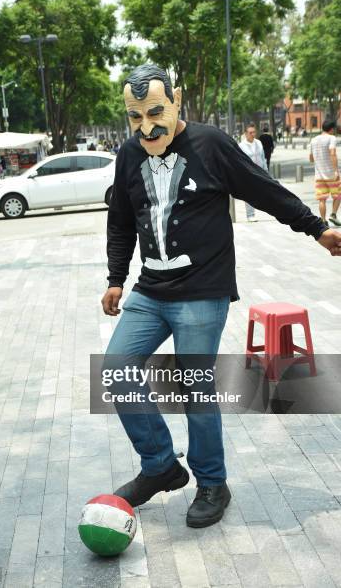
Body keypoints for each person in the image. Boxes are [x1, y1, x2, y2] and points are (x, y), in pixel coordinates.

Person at [101, 64, 341, 529]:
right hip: (150, 290)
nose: (147, 126)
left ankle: (212, 482)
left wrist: (316, 227)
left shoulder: (211, 144)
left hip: (202, 292)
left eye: (155, 112)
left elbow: (264, 190)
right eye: (135, 117)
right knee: (115, 368)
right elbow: (121, 219)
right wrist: (116, 277)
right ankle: (160, 466)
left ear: (176, 101)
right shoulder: (129, 154)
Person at [309, 119, 341, 226]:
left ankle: (323, 220)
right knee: (338, 195)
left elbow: (311, 158)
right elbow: (332, 153)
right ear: (331, 129)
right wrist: (336, 170)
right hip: (331, 174)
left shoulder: (313, 140)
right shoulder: (331, 138)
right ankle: (333, 215)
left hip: (319, 175)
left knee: (322, 199)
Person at [239, 123, 268, 221]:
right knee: (249, 194)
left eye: (254, 132)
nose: (253, 134)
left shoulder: (259, 143)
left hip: (260, 172)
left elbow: (263, 157)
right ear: (246, 134)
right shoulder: (241, 146)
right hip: (248, 173)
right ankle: (250, 215)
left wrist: (266, 171)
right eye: (250, 132)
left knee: (263, 192)